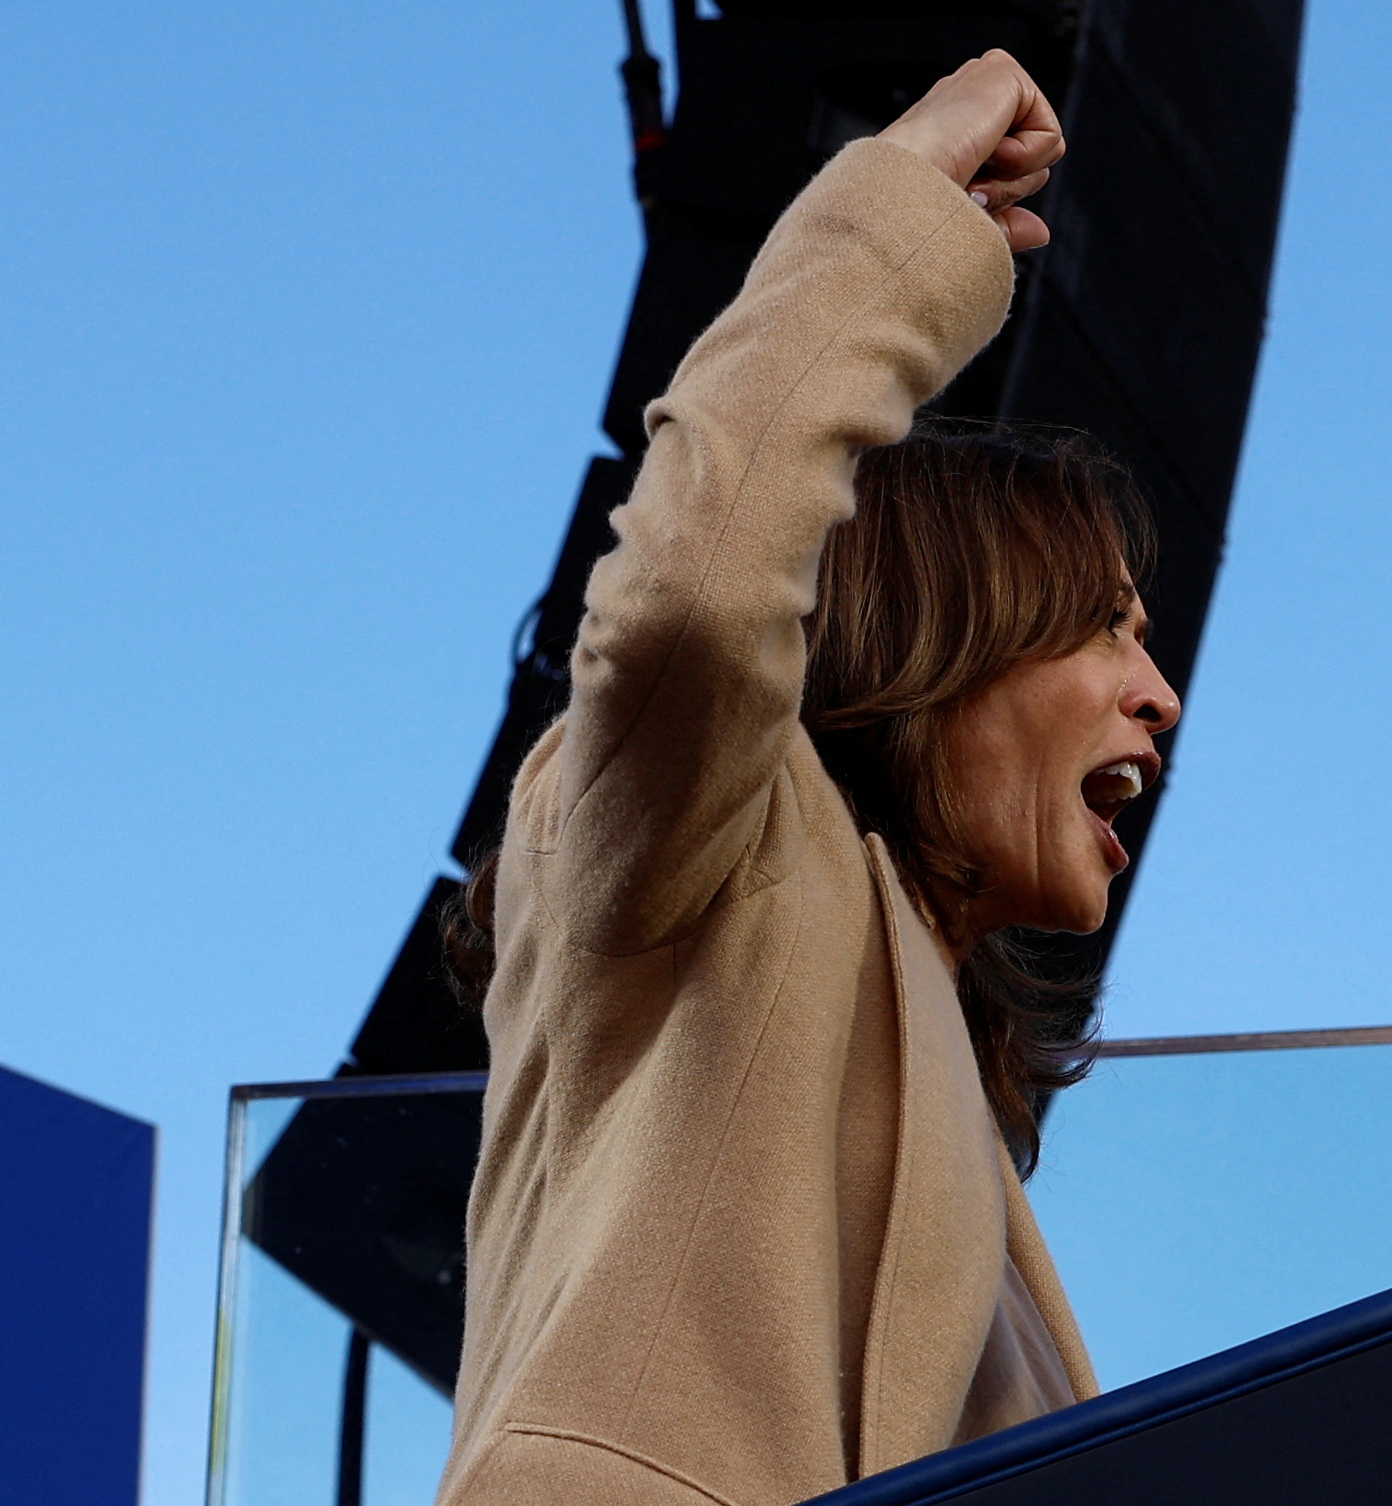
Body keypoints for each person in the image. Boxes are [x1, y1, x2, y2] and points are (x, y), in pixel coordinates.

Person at [433, 51, 1182, 1506]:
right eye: (1103, 625)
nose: (1158, 692)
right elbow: (695, 602)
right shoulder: (701, 848)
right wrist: (893, 211)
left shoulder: (949, 1103)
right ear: (945, 638)